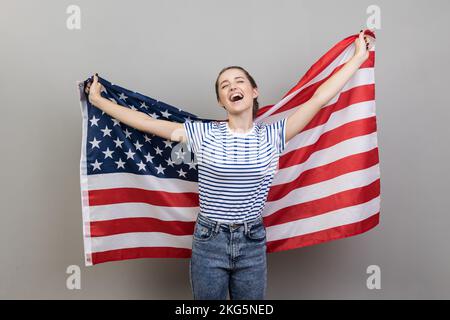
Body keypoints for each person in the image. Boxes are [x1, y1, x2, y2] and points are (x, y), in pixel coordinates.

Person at [85, 30, 372, 300]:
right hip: (210, 240)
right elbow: (147, 123)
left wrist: (358, 57)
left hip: (252, 240)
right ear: (221, 101)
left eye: (239, 82)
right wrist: (98, 100)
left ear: (254, 91)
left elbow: (320, 98)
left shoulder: (273, 136)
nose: (233, 87)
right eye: (225, 85)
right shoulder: (203, 134)